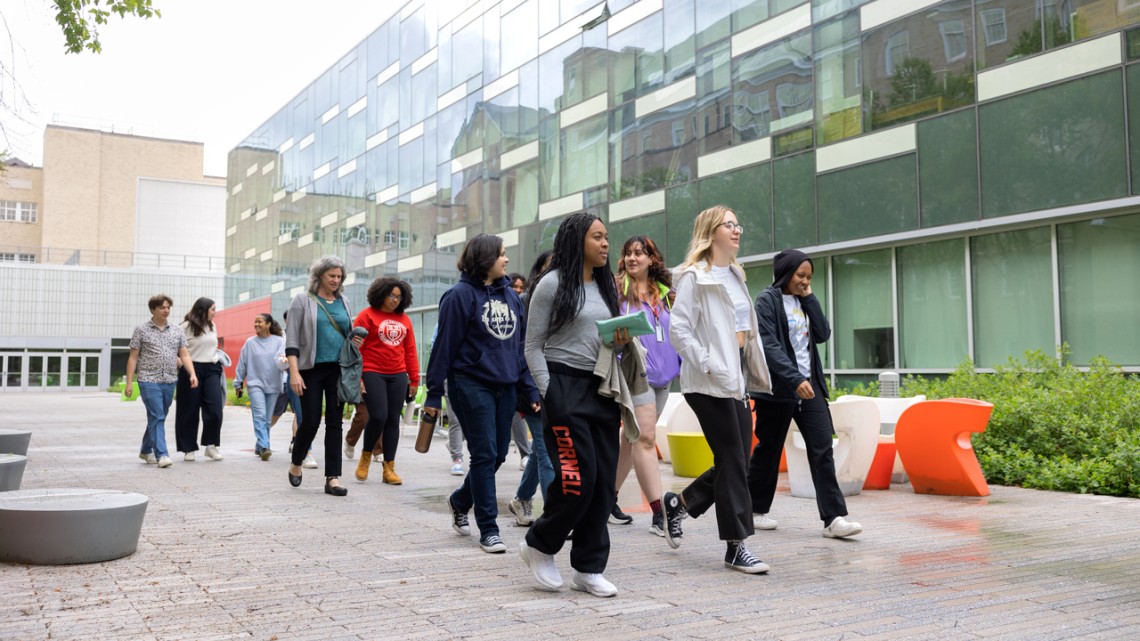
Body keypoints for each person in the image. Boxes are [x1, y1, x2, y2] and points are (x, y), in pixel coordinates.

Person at [520, 212, 631, 598]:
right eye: (597, 237)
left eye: (606, 237)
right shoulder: (551, 285)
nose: (605, 244)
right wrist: (550, 390)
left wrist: (619, 341)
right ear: (576, 240)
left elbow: (602, 342)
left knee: (602, 485)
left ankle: (588, 567)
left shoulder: (606, 286)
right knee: (575, 481)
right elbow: (532, 346)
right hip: (563, 386)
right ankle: (539, 543)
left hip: (601, 388)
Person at [661, 204, 773, 574]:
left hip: (735, 377)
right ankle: (736, 546)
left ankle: (680, 505)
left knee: (737, 458)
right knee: (732, 458)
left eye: (738, 225)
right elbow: (679, 331)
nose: (737, 230)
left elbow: (743, 332)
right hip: (707, 381)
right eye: (729, 225)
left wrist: (739, 370)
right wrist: (710, 363)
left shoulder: (736, 275)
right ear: (711, 232)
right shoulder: (694, 277)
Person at [425, 233, 540, 555]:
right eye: (501, 255)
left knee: (499, 454)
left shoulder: (512, 297)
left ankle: (460, 500)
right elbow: (443, 348)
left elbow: (520, 347)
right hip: (469, 383)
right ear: (485, 258)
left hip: (506, 385)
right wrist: (434, 394)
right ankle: (489, 529)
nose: (506, 260)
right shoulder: (459, 296)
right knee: (485, 454)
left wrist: (528, 387)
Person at [749, 249, 863, 539]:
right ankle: (754, 510)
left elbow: (823, 333)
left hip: (810, 388)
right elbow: (769, 345)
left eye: (809, 277)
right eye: (800, 275)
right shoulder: (767, 301)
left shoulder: (803, 301)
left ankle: (834, 519)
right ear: (785, 273)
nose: (804, 281)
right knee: (769, 450)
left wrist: (809, 296)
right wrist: (794, 378)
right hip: (778, 390)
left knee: (823, 447)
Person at [612, 235, 681, 535]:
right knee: (645, 438)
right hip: (635, 375)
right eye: (628, 253)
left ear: (652, 259)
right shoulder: (616, 292)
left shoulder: (666, 294)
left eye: (639, 253)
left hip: (664, 378)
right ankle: (659, 512)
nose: (632, 258)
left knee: (631, 438)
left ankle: (606, 499)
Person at [285, 256, 361, 496]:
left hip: (338, 369)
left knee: (335, 422)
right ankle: (297, 462)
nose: (336, 281)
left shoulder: (345, 302)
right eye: (332, 276)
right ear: (319, 276)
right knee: (310, 420)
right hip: (310, 369)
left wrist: (355, 340)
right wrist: (294, 372)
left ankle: (333, 478)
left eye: (339, 277)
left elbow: (348, 336)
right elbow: (293, 341)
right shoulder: (302, 301)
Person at [352, 276, 418, 485]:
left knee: (392, 420)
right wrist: (358, 377)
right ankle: (366, 455)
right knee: (378, 415)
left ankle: (389, 467)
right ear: (381, 294)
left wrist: (414, 379)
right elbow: (356, 349)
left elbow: (410, 350)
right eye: (391, 295)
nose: (395, 300)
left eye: (399, 297)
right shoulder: (366, 316)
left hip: (398, 374)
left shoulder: (404, 319)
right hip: (372, 371)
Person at [507, 252, 556, 527]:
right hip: (533, 388)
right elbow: (522, 350)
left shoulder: (564, 300)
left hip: (559, 385)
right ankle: (554, 514)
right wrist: (532, 389)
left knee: (541, 450)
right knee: (547, 451)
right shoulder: (524, 303)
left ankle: (522, 498)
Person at [125, 294, 197, 468]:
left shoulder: (176, 330)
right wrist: (129, 383)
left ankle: (145, 449)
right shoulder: (141, 330)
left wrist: (192, 374)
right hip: (148, 379)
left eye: (168, 307)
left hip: (170, 379)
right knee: (157, 415)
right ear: (153, 310)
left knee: (158, 416)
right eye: (162, 307)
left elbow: (184, 354)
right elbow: (133, 358)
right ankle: (162, 455)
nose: (166, 310)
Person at [175, 297, 225, 462]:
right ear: (203, 310)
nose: (215, 312)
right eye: (213, 309)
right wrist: (180, 363)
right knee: (188, 410)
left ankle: (211, 446)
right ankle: (188, 448)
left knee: (215, 409)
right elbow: (174, 349)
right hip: (191, 369)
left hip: (211, 369)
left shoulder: (212, 326)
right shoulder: (184, 327)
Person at [233, 313, 286, 461]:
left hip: (273, 384)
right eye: (255, 322)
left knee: (267, 419)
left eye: (259, 322)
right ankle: (264, 446)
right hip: (255, 384)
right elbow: (242, 364)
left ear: (268, 324)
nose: (256, 324)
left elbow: (284, 359)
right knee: (260, 416)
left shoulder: (279, 341)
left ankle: (260, 446)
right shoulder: (250, 343)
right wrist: (238, 383)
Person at [508, 272, 534, 471]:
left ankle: (526, 454)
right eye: (514, 286)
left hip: (525, 372)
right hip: (508, 373)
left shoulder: (527, 307)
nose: (518, 290)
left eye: (521, 287)